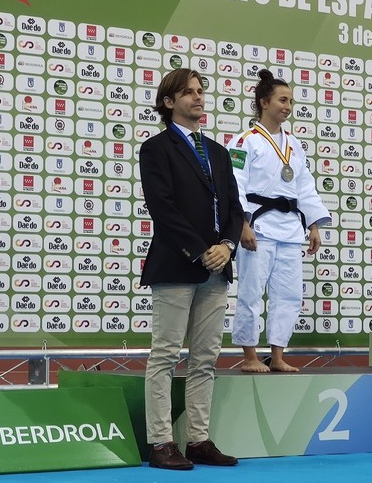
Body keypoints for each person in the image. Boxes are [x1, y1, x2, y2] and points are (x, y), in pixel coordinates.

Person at [140, 68, 241, 470]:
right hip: (177, 264)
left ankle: (198, 440)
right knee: (164, 355)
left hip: (217, 267)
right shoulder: (156, 148)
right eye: (188, 92)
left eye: (201, 91)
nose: (198, 98)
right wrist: (202, 251)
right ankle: (161, 442)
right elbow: (162, 208)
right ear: (168, 102)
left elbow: (234, 207)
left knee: (205, 359)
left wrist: (228, 246)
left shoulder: (217, 151)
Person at [228, 70, 331, 373]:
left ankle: (278, 355)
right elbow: (235, 182)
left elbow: (304, 186)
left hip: (289, 228)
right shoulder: (244, 141)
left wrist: (312, 224)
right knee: (250, 293)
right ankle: (249, 356)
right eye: (282, 100)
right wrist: (242, 223)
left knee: (289, 295)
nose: (287, 106)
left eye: (290, 101)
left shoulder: (294, 144)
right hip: (258, 227)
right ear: (264, 102)